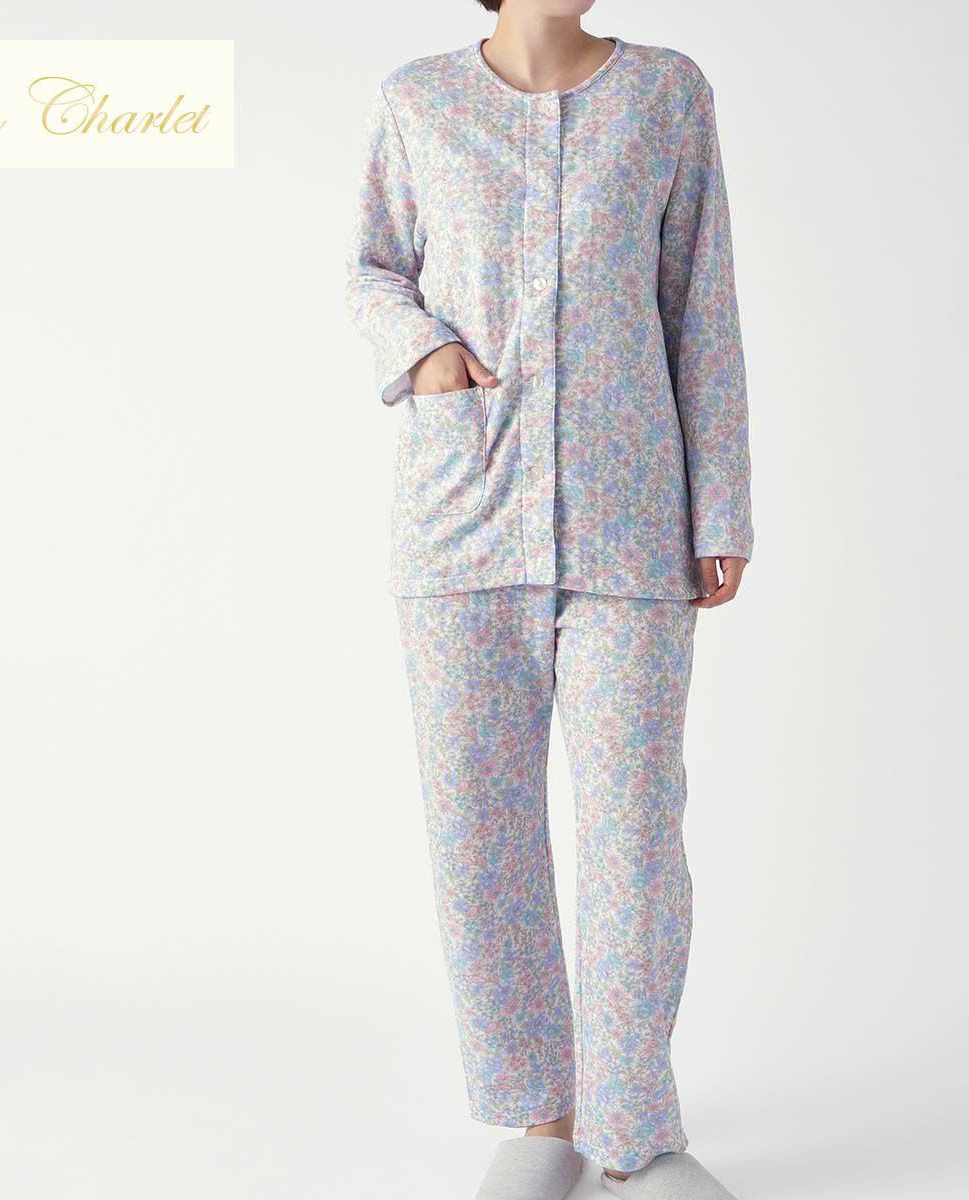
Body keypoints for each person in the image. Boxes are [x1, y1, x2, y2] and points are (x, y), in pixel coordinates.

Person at [346, 1, 752, 1197]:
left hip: (633, 526)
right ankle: (544, 1117)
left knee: (635, 837)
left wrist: (721, 505)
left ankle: (636, 1132)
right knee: (481, 836)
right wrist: (421, 351)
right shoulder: (419, 101)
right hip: (462, 518)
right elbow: (372, 266)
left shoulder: (668, 94)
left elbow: (702, 306)